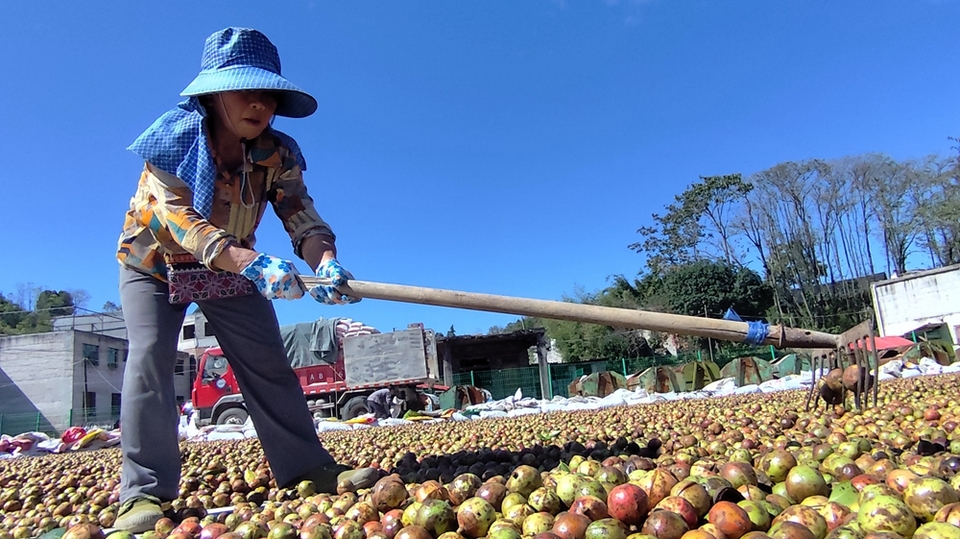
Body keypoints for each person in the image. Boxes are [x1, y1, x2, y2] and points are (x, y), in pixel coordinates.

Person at [114, 27, 376, 532]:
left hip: (233, 263)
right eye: (243, 91)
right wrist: (249, 262)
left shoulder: (279, 153)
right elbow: (174, 218)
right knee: (149, 360)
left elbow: (301, 214)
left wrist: (325, 262)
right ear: (213, 95)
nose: (258, 104)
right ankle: (142, 493)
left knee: (266, 360)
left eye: (267, 95)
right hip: (155, 262)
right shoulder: (172, 140)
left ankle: (306, 467)